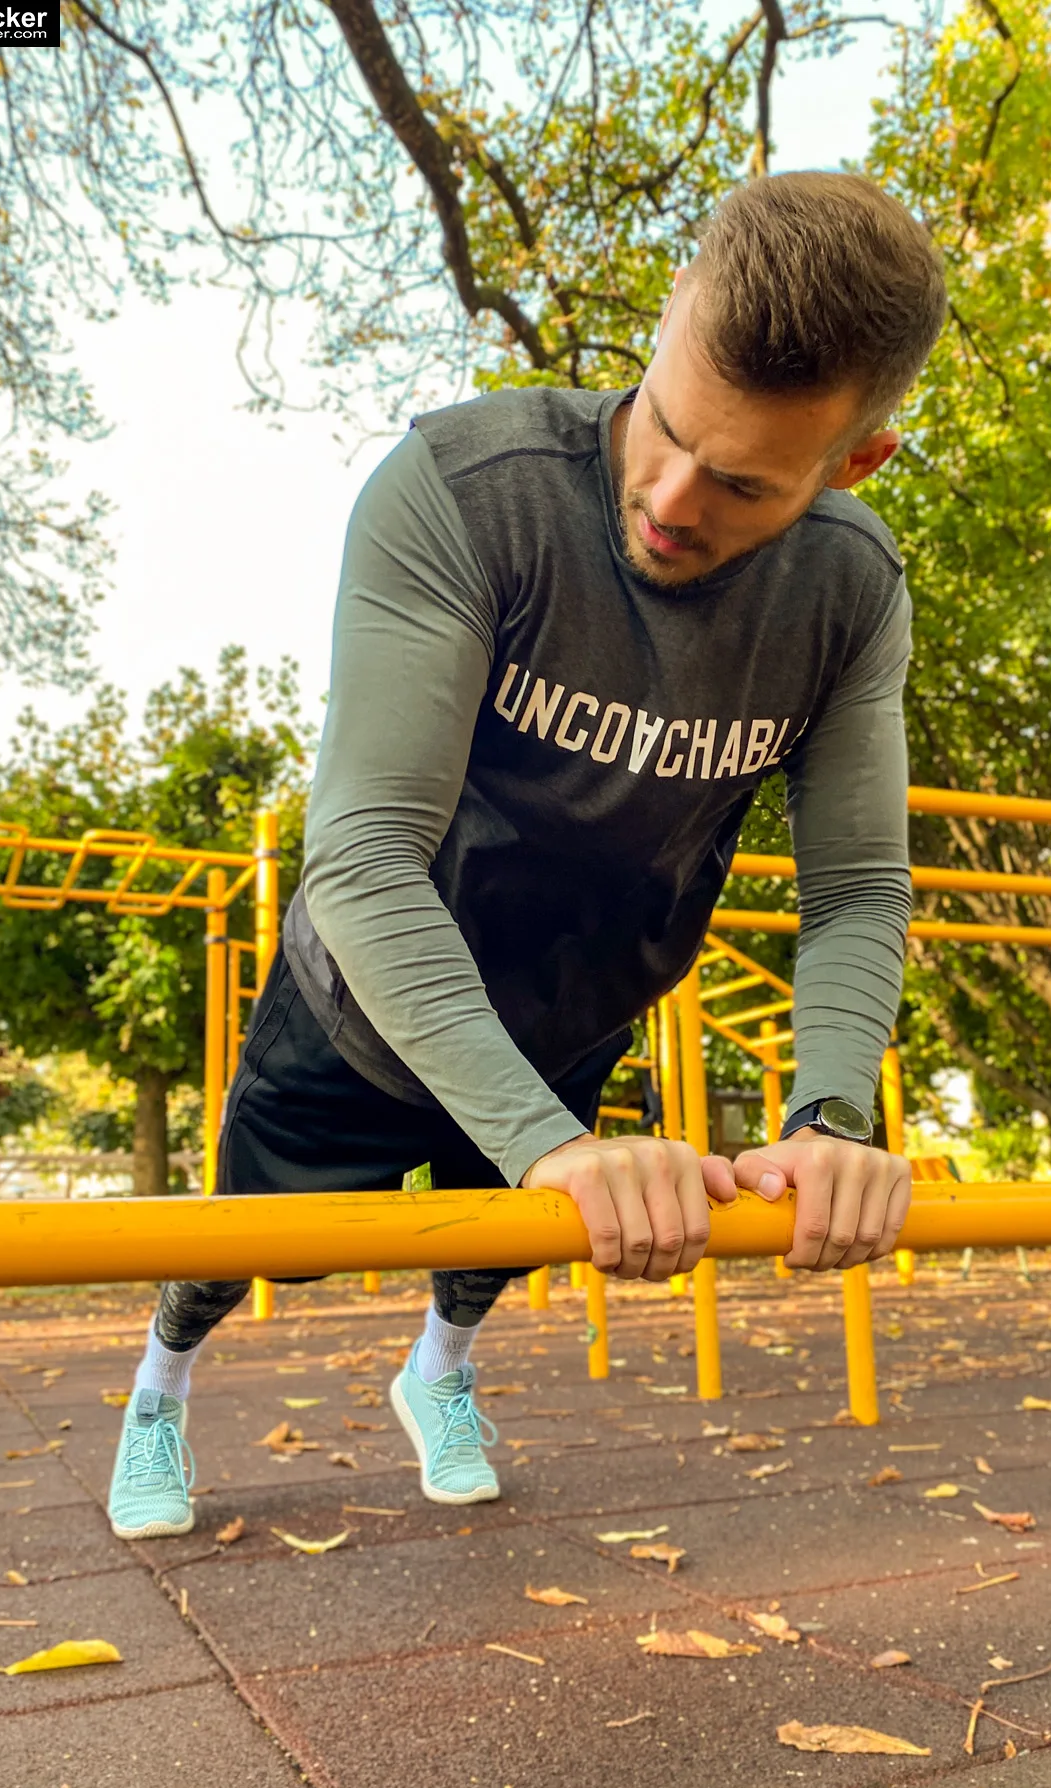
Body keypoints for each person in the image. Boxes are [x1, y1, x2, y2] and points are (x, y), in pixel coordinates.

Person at [107, 169, 946, 1539]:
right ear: (673, 313)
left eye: (740, 483)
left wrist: (831, 1119)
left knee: (512, 1244)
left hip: (580, 996)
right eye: (665, 431)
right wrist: (549, 1145)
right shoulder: (463, 493)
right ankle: (161, 1384)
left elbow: (856, 888)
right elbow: (367, 856)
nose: (673, 499)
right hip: (362, 1006)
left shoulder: (851, 592)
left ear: (855, 461)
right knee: (235, 1247)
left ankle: (440, 1370)